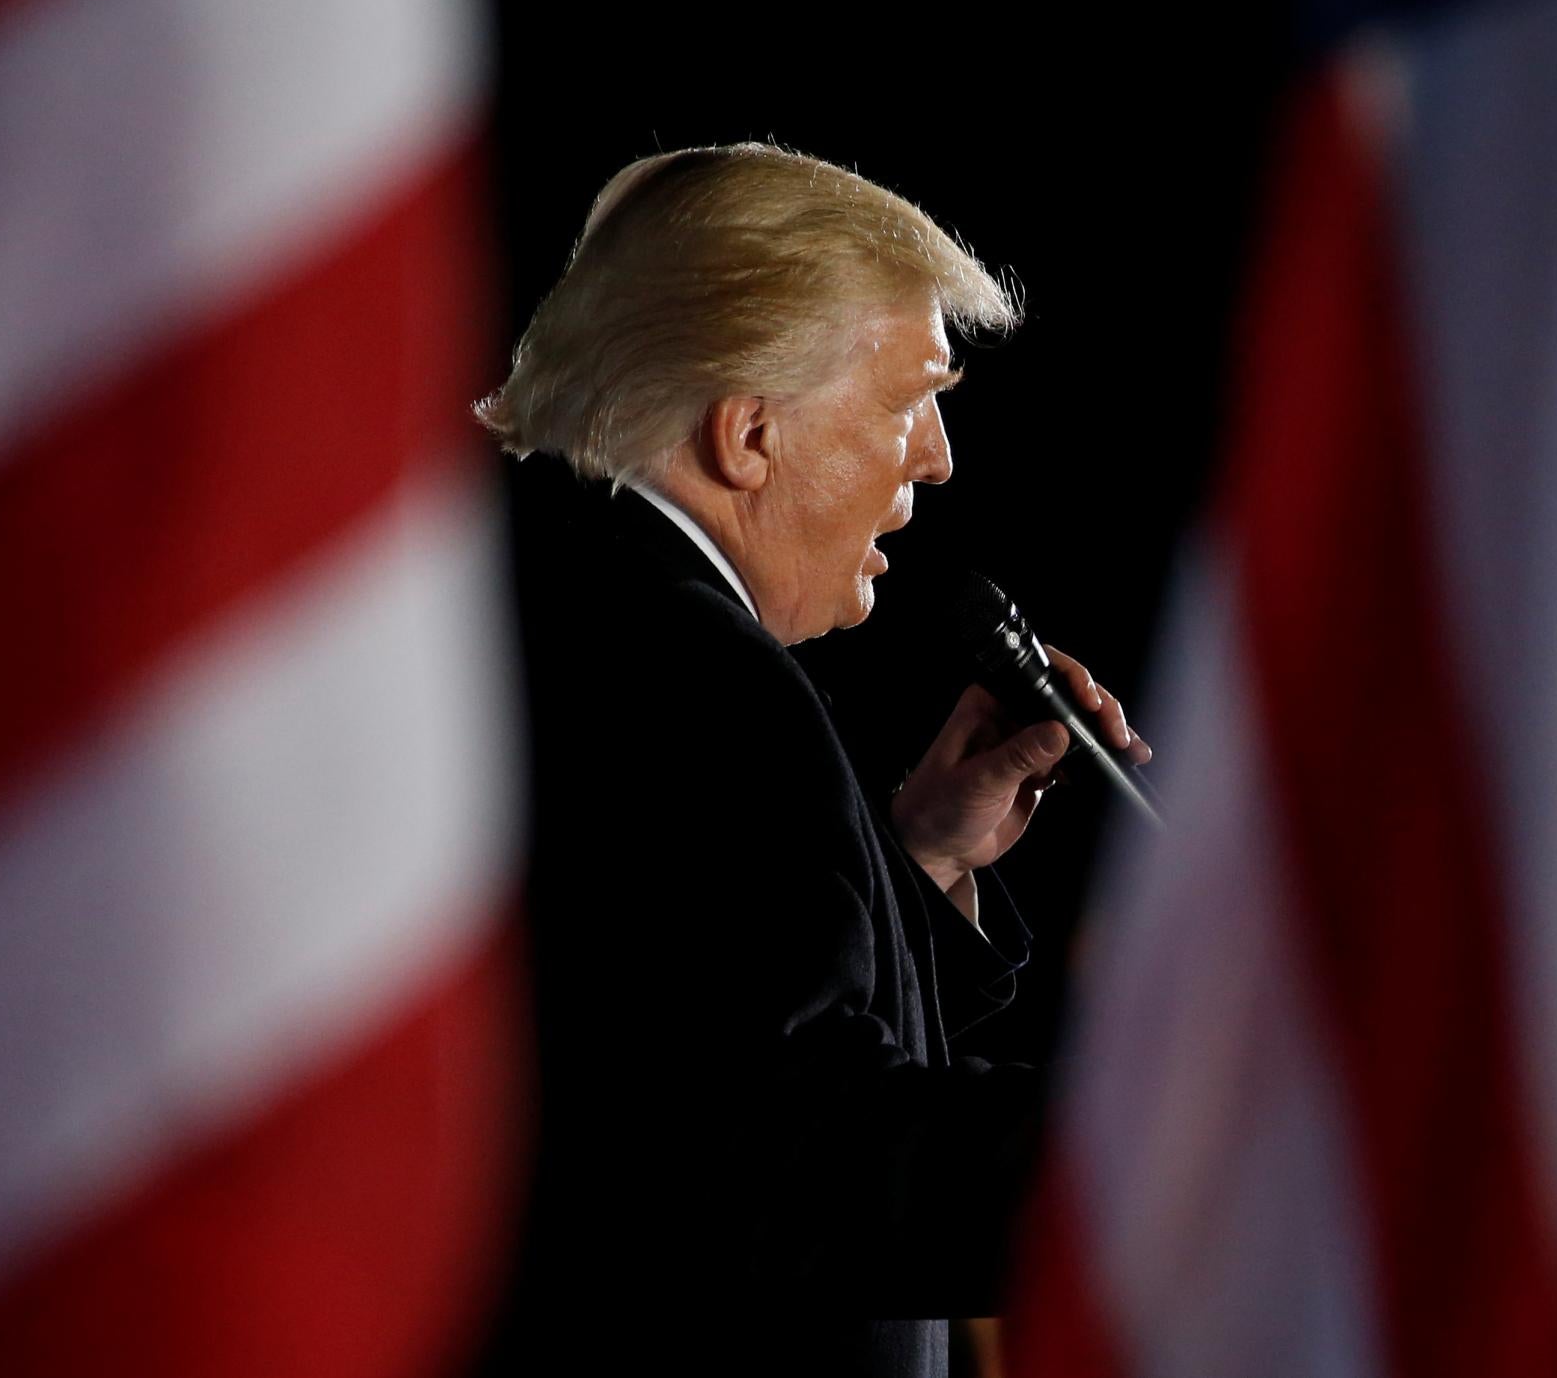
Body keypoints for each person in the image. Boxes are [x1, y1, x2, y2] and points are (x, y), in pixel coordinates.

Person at [466, 144, 1146, 1378]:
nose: (934, 458)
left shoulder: (578, 623)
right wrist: (1162, 1136)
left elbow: (686, 1061)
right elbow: (799, 1170)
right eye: (906, 399)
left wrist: (919, 858)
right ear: (749, 431)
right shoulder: (699, 679)